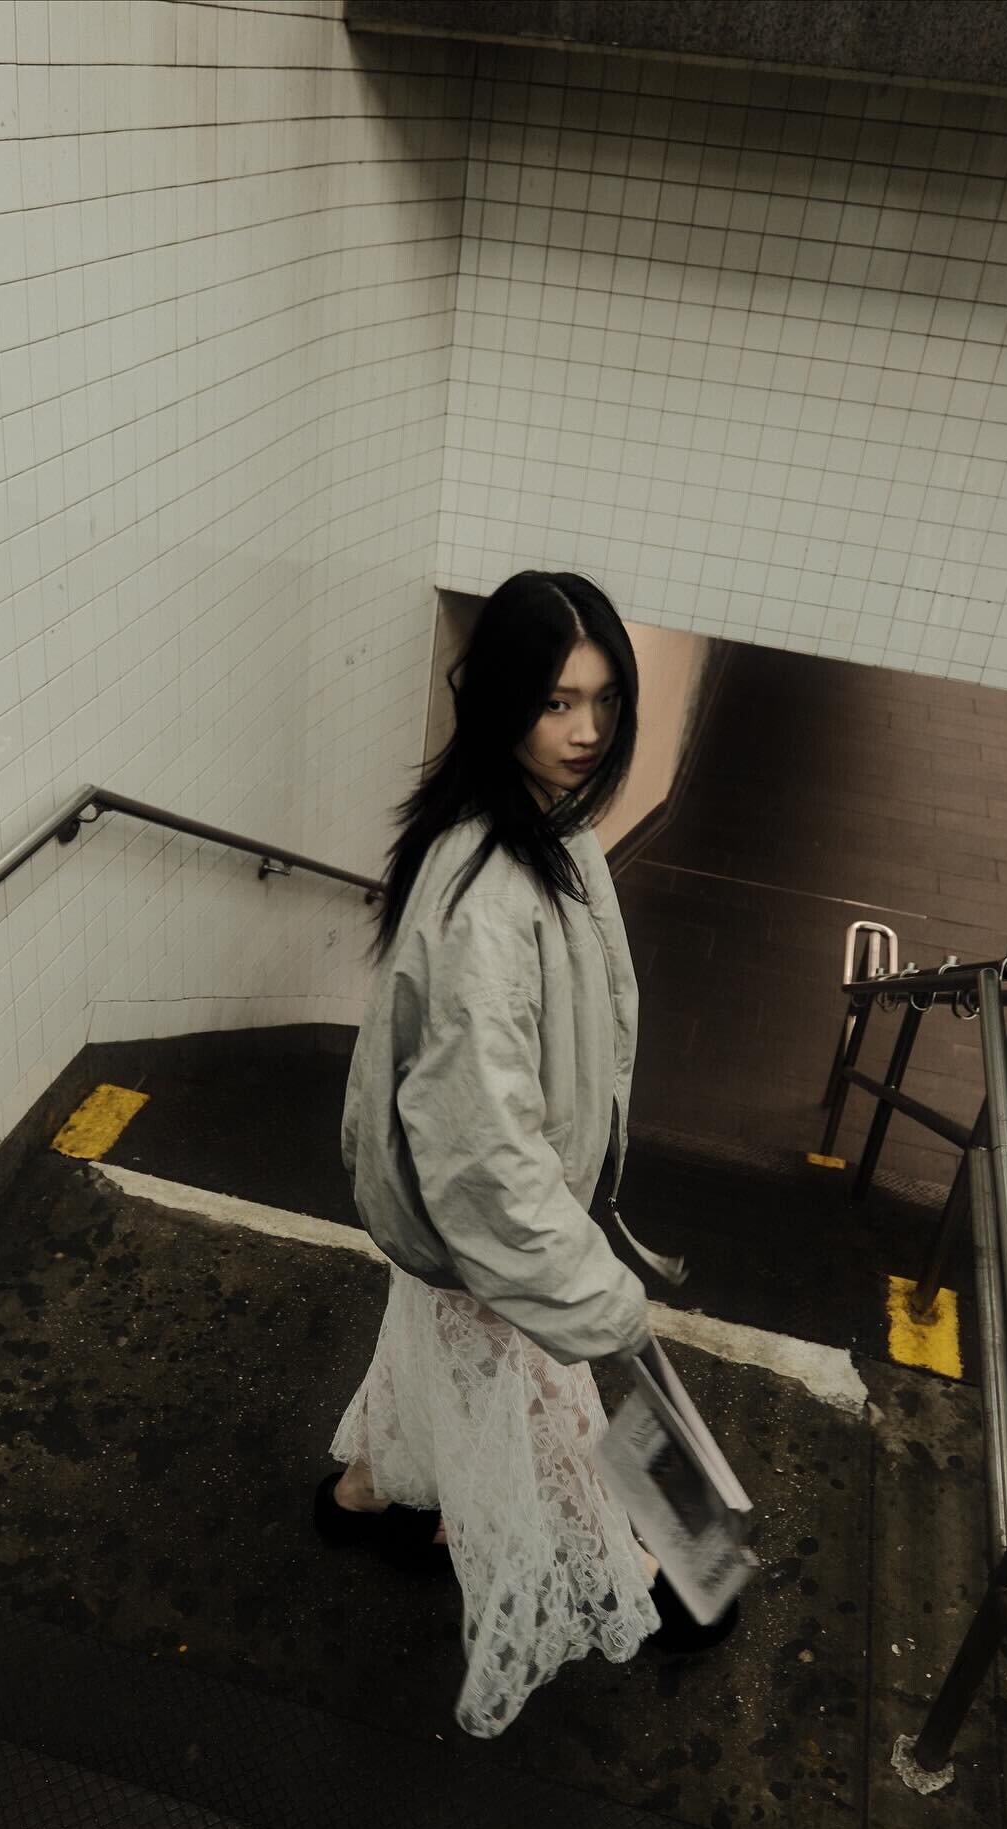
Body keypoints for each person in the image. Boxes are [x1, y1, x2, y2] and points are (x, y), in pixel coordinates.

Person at [318, 571, 738, 1738]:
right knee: (540, 1401)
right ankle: (633, 1572)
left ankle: (364, 1493)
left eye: (605, 699)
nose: (588, 730)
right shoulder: (489, 899)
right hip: (491, 1230)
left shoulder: (539, 824)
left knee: (436, 1356)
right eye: (557, 702)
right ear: (502, 700)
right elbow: (484, 1152)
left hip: (468, 1226)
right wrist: (595, 1296)